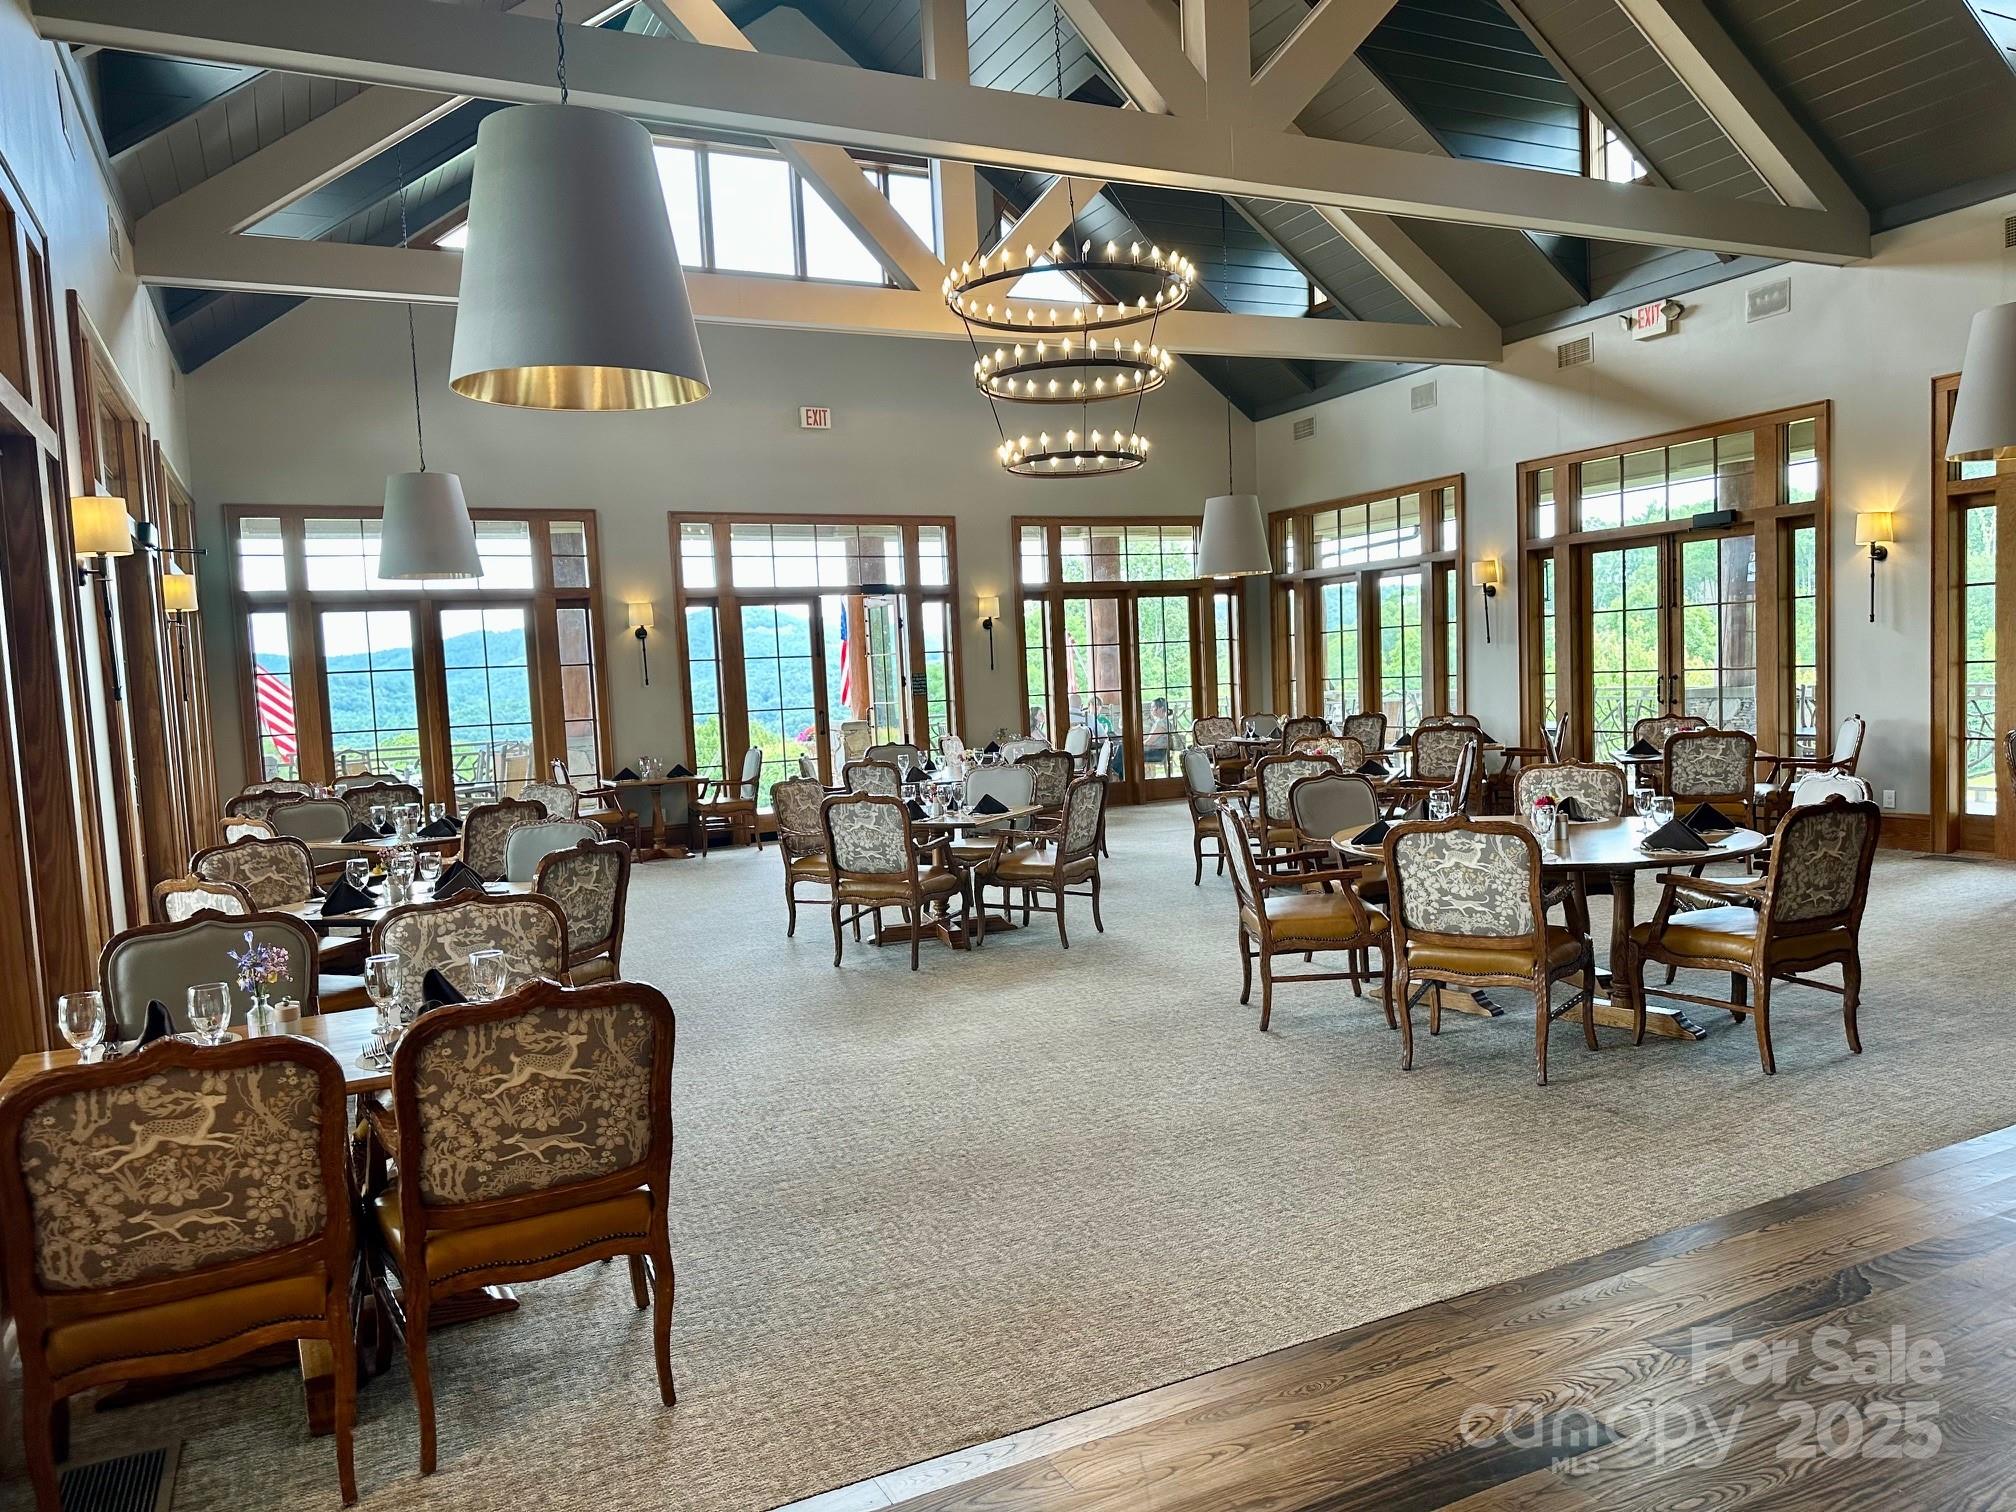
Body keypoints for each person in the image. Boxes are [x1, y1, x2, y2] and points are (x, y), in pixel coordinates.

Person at [1143, 696, 1174, 772]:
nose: (1151, 709)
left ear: (1161, 708)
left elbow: (1150, 742)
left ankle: (1120, 775)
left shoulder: (1161, 723)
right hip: (1156, 750)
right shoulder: (1162, 721)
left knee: (1125, 751)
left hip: (1158, 753)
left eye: (1153, 707)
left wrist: (1136, 745)